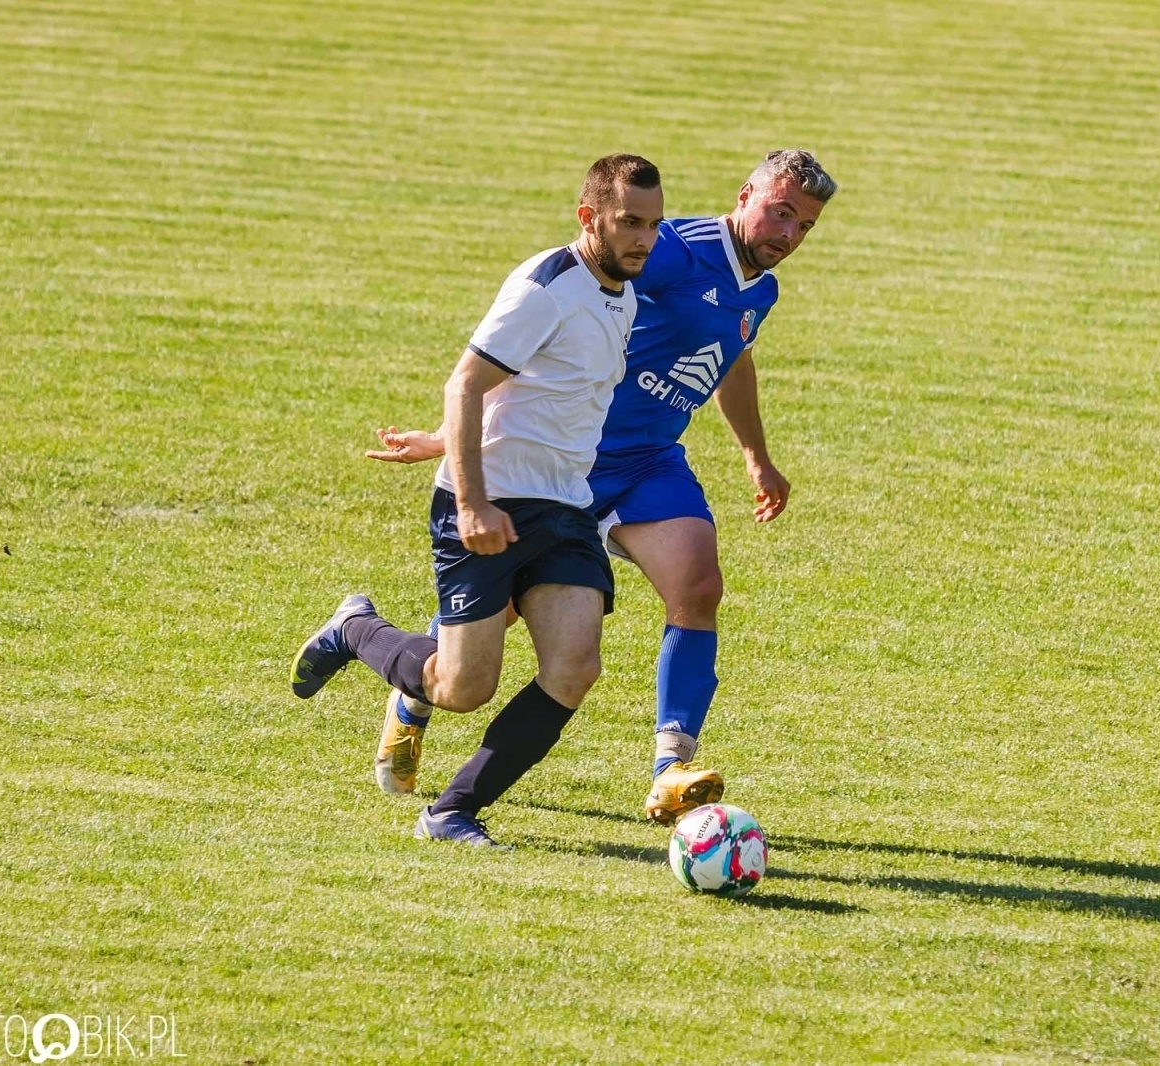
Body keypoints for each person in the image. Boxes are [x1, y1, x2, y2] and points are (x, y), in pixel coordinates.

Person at [365, 149, 836, 824]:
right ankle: (414, 694)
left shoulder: (760, 289)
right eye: (781, 212)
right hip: (567, 466)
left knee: (698, 586)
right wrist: (449, 439)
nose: (788, 234)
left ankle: (671, 768)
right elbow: (561, 335)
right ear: (745, 196)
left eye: (805, 226)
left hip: (649, 463)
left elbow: (732, 361)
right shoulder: (670, 251)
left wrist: (757, 458)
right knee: (489, 633)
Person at [289, 153, 665, 848]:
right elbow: (466, 383)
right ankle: (353, 630)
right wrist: (470, 499)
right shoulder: (546, 286)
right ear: (590, 218)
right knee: (462, 687)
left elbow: (541, 398)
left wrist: (436, 442)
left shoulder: (625, 295)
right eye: (629, 223)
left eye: (653, 224)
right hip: (488, 504)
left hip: (563, 510)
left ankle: (452, 811)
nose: (644, 238)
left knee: (576, 667)